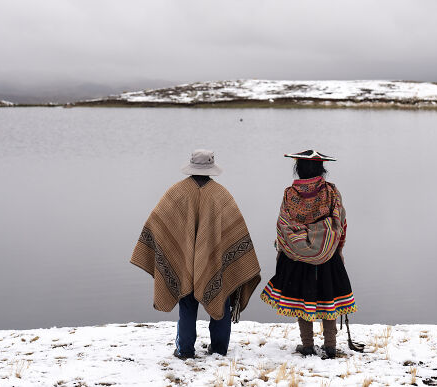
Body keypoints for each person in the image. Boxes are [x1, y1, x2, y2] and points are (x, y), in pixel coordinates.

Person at [131, 149, 261, 359]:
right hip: (215, 263)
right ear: (211, 169)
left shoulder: (176, 192)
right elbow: (235, 233)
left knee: (187, 302)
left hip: (184, 263)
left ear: (191, 167)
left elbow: (156, 223)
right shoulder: (222, 195)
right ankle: (219, 349)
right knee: (221, 298)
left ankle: (185, 350)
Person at [260, 149, 356, 359]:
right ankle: (330, 346)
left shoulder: (289, 194)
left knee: (302, 299)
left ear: (299, 169)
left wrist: (283, 250)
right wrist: (338, 249)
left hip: (296, 256)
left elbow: (282, 225)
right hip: (328, 255)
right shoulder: (331, 192)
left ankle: (308, 346)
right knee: (328, 297)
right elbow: (341, 223)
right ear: (322, 169)